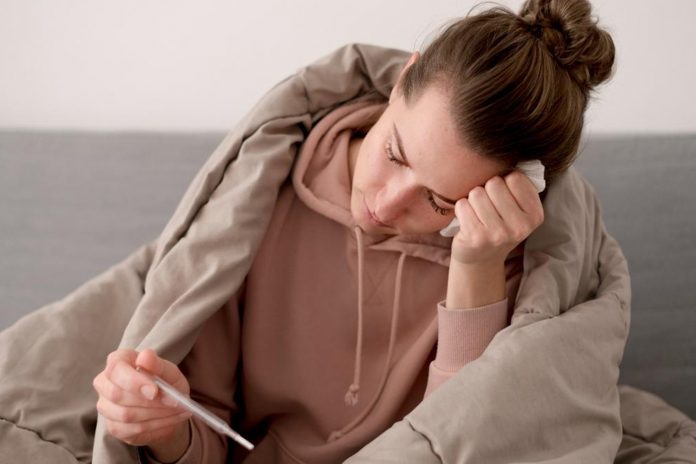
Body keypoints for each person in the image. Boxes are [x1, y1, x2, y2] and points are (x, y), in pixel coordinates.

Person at [92, 0, 615, 462]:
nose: (385, 205)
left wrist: (474, 270)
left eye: (437, 200)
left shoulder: (512, 260)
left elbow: (462, 446)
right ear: (400, 81)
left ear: (517, 188)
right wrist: (165, 430)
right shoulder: (262, 201)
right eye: (394, 153)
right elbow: (209, 444)